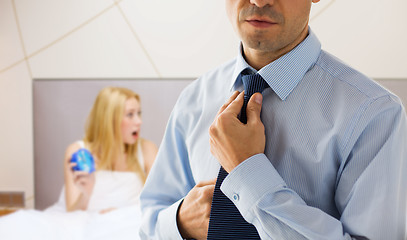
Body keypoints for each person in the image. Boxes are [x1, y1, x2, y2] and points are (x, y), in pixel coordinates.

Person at [139, 0, 407, 239]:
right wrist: (179, 223)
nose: (259, 0)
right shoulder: (194, 98)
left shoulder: (375, 114)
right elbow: (149, 223)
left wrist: (247, 170)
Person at [64, 86, 158, 213]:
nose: (139, 121)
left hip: (131, 225)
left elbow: (157, 205)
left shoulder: (147, 149)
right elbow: (71, 215)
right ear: (109, 120)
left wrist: (119, 215)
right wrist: (86, 193)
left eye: (139, 113)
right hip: (90, 227)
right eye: (130, 115)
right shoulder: (78, 152)